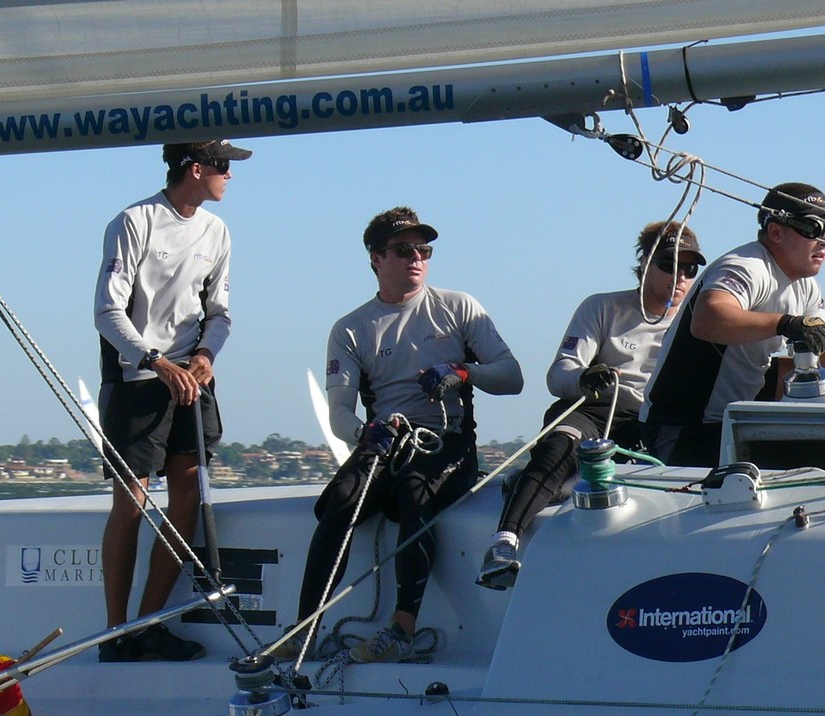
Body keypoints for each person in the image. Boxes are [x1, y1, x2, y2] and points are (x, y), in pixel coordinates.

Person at [277, 206, 523, 664]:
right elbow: (338, 413)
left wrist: (463, 372)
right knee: (342, 499)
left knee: (416, 493)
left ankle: (402, 627)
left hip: (447, 444)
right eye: (403, 249)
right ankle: (304, 629)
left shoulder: (458, 307)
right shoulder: (351, 328)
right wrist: (365, 432)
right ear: (375, 259)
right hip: (385, 443)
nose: (417, 257)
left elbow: (512, 377)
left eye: (424, 249)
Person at [476, 221, 704, 590]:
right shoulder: (603, 307)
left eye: (689, 269)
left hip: (656, 420)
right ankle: (503, 545)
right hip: (596, 407)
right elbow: (559, 372)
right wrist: (585, 378)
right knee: (557, 449)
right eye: (668, 264)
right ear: (644, 263)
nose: (679, 277)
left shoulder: (700, 324)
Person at [93, 139, 252, 662]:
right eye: (224, 167)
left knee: (185, 496)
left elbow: (220, 311)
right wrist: (155, 361)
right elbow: (106, 312)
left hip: (193, 381)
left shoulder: (217, 231)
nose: (231, 176)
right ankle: (116, 634)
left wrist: (206, 355)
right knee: (132, 502)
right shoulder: (134, 221)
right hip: (138, 381)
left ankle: (148, 624)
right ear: (197, 167)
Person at [641, 182, 825, 468]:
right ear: (775, 231)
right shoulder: (746, 265)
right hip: (683, 429)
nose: (823, 241)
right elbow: (708, 318)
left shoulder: (807, 288)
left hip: (734, 426)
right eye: (814, 229)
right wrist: (786, 324)